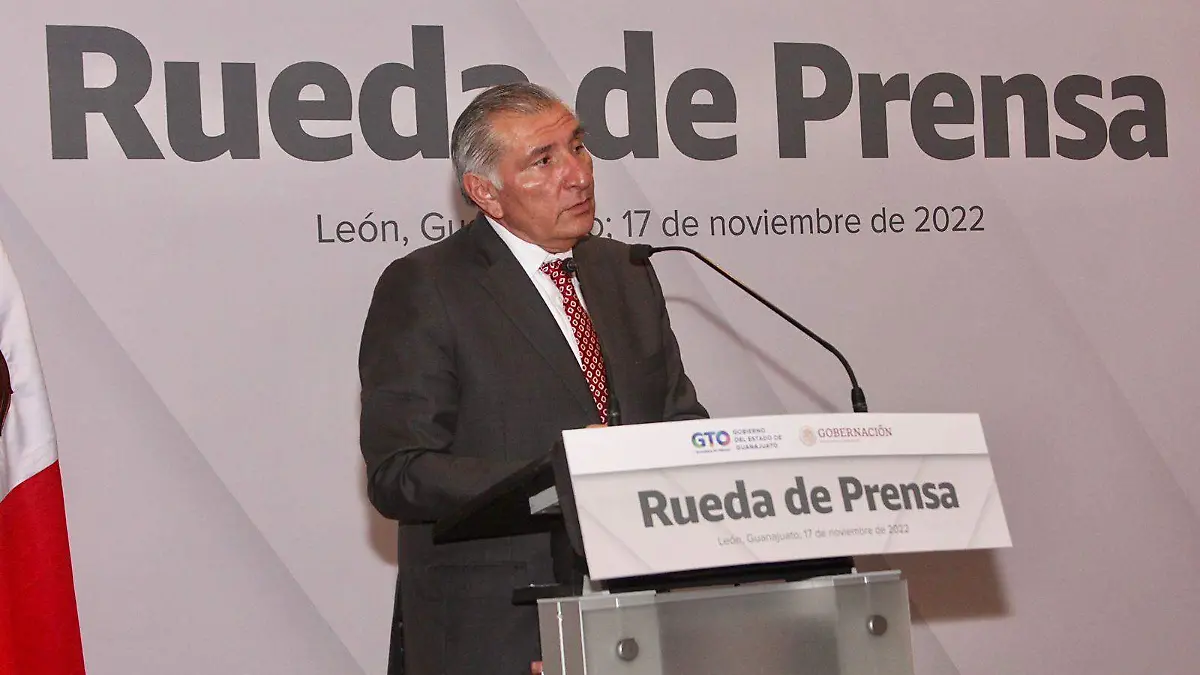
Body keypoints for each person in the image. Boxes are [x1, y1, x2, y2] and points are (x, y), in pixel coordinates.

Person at [357, 82, 708, 675]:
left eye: (578, 146)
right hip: (500, 630)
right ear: (485, 192)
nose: (578, 174)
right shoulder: (427, 286)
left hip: (635, 616)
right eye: (543, 161)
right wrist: (563, 477)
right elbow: (400, 473)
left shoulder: (626, 269)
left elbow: (677, 417)